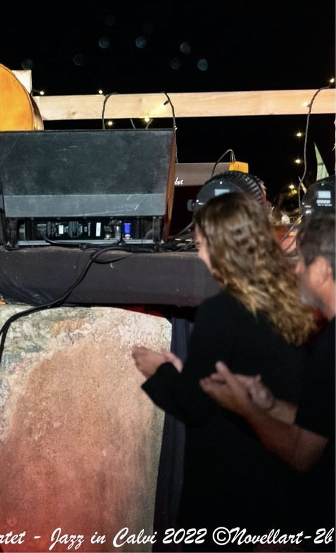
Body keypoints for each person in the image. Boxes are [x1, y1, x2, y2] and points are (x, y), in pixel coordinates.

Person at [132, 192, 315, 542]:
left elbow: (194, 406)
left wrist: (159, 372)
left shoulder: (221, 310)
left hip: (226, 484)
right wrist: (184, 371)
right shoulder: (289, 301)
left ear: (222, 248)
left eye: (202, 246)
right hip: (274, 479)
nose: (200, 255)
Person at [199, 208, 334, 538]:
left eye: (303, 262)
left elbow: (302, 455)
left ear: (321, 269)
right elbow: (320, 426)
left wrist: (245, 409)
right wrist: (269, 404)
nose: (296, 269)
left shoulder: (330, 348)